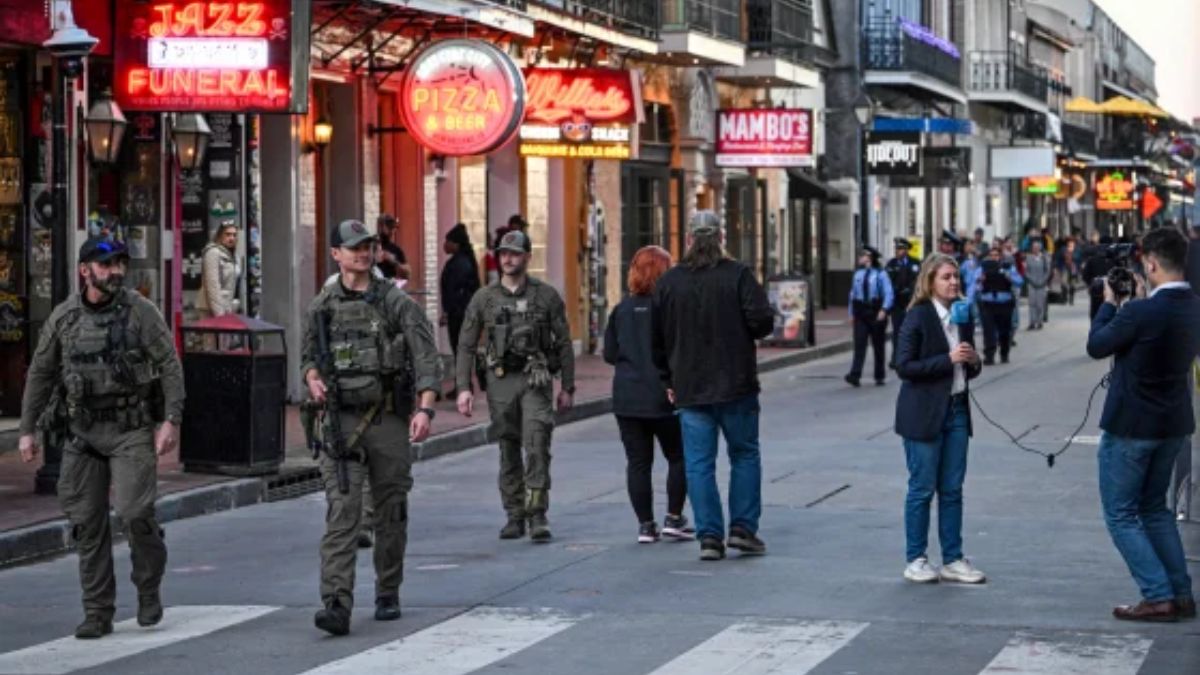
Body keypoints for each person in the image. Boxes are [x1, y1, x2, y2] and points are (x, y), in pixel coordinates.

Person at [17, 237, 184, 639]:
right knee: (87, 524)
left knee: (134, 513)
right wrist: (26, 429)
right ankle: (97, 611)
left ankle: (148, 589)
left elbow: (170, 364)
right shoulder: (64, 317)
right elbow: (40, 373)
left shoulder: (140, 312)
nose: (115, 272)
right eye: (106, 265)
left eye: (119, 265)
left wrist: (171, 420)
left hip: (129, 431)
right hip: (82, 434)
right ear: (84, 270)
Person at [301, 219, 441, 636]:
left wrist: (426, 408)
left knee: (390, 510)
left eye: (368, 246)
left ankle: (387, 590)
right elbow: (307, 355)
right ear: (336, 255)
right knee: (342, 513)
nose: (362, 253)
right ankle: (337, 603)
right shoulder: (322, 305)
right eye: (354, 247)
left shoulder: (394, 303)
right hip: (341, 422)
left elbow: (426, 354)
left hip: (387, 419)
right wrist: (311, 376)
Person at [1086, 227, 1200, 622]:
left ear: (1150, 263)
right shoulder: (1193, 306)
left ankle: (1157, 595)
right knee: (1155, 509)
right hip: (1174, 424)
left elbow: (1097, 345)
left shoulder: (1138, 311)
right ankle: (1181, 593)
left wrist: (1109, 303)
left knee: (1120, 513)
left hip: (1131, 426)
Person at [652, 211, 774, 561]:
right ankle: (742, 529)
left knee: (699, 463)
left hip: (690, 385)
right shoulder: (738, 275)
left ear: (688, 240)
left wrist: (667, 379)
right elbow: (762, 321)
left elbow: (656, 339)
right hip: (736, 382)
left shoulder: (670, 282)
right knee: (744, 454)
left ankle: (709, 537)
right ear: (721, 238)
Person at [455, 229, 575, 543]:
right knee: (508, 447)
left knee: (536, 444)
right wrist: (463, 387)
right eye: (503, 253)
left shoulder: (546, 296)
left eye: (515, 253)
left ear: (526, 257)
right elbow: (466, 344)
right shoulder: (484, 298)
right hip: (500, 381)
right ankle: (514, 515)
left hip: (535, 380)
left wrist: (568, 387)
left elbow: (563, 343)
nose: (508, 259)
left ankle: (537, 514)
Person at [894, 253, 985, 584]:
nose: (954, 282)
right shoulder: (917, 317)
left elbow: (969, 366)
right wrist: (947, 359)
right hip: (924, 413)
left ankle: (953, 557)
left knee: (953, 488)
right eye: (946, 277)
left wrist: (972, 360)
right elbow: (904, 366)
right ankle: (916, 557)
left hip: (957, 409)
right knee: (921, 488)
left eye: (956, 277)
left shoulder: (962, 314)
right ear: (930, 281)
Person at [603, 246, 692, 543]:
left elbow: (609, 354)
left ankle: (645, 525)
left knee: (638, 463)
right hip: (664, 395)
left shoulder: (620, 310)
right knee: (678, 457)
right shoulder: (668, 309)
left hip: (627, 396)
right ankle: (674, 517)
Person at [845, 246, 894, 387]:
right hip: (861, 311)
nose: (860, 257)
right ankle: (855, 374)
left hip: (875, 311)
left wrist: (884, 310)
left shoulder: (880, 274)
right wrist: (851, 313)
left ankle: (879, 375)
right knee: (859, 343)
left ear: (870, 258)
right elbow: (852, 294)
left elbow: (889, 293)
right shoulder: (858, 274)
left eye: (863, 255)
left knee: (878, 345)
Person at [974, 246, 1023, 365]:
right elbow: (974, 285)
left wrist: (1009, 277)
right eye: (991, 255)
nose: (994, 258)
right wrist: (980, 280)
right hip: (988, 303)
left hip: (1004, 303)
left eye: (996, 255)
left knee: (1004, 331)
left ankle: (1004, 353)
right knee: (988, 331)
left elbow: (1019, 281)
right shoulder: (982, 269)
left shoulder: (1007, 268)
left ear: (1000, 257)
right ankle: (989, 356)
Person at [440, 223, 481, 361]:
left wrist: (447, 312)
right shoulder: (461, 261)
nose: (445, 245)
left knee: (459, 348)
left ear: (456, 244)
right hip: (461, 313)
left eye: (448, 241)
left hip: (460, 315)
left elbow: (454, 291)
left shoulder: (460, 264)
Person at [885, 238, 921, 369]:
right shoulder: (891, 264)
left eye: (900, 249)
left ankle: (911, 356)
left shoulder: (915, 263)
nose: (898, 251)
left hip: (911, 303)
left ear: (906, 250)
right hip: (897, 303)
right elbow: (888, 281)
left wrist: (910, 291)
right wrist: (896, 290)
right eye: (896, 249)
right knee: (897, 332)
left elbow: (917, 281)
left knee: (912, 331)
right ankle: (896, 358)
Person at [197, 223, 240, 318]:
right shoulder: (213, 253)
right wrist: (219, 314)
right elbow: (212, 285)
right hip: (211, 310)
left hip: (225, 308)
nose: (232, 238)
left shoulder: (230, 255)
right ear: (219, 235)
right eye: (228, 234)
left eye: (234, 235)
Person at [1024, 239, 1052, 330]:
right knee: (1032, 303)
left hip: (1042, 284)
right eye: (1033, 248)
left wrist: (1043, 280)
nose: (1035, 249)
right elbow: (1026, 271)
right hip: (1031, 284)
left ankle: (1039, 322)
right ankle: (1032, 322)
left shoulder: (1044, 258)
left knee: (1040, 304)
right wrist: (1031, 279)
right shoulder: (1028, 258)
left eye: (1037, 247)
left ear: (1040, 248)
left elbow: (1047, 271)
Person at [374, 214, 410, 281]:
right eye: (389, 227)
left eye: (393, 228)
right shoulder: (369, 245)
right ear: (379, 227)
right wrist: (373, 259)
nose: (392, 231)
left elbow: (407, 274)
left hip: (389, 287)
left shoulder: (396, 249)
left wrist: (394, 262)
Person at [1056, 237, 1079, 306]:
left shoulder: (1077, 250)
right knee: (1064, 283)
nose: (1071, 243)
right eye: (1069, 242)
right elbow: (1058, 258)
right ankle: (1064, 298)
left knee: (1072, 284)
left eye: (1072, 242)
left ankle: (1071, 298)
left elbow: (1079, 258)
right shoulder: (1063, 249)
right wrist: (1057, 267)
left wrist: (1072, 255)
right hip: (1064, 268)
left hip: (1073, 268)